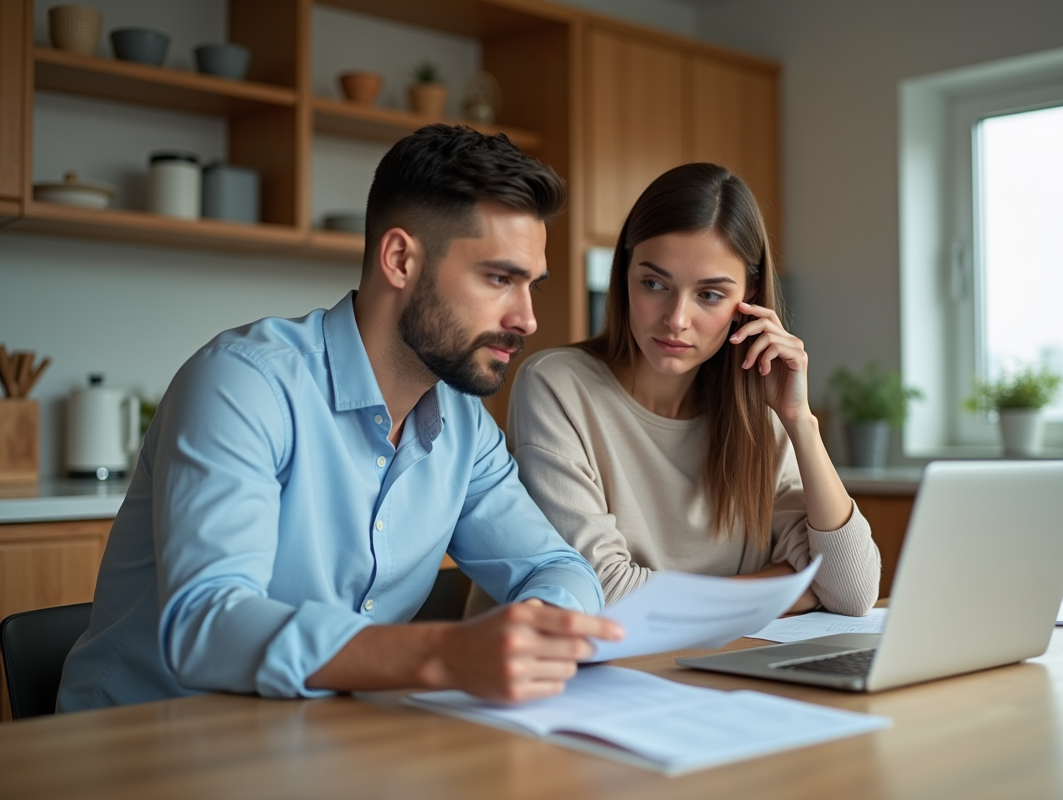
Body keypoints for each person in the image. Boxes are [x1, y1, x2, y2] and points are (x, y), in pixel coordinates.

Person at [58, 125, 622, 712]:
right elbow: (208, 626)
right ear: (400, 259)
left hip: (316, 739)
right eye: (500, 278)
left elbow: (558, 566)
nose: (528, 318)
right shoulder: (243, 384)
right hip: (142, 750)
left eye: (532, 285)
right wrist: (444, 654)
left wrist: (540, 627)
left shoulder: (466, 426)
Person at [479, 163, 880, 615]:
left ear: (746, 298)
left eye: (709, 295)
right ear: (625, 275)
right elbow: (601, 591)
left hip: (706, 671)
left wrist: (800, 423)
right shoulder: (558, 385)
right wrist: (783, 589)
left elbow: (851, 591)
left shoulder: (757, 410)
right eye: (654, 284)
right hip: (563, 677)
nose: (676, 319)